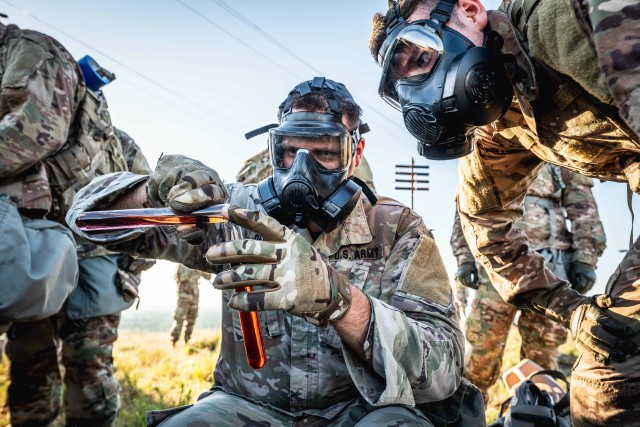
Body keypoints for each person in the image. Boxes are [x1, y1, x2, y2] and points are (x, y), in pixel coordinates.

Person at [66, 77, 479, 426]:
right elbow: (87, 219)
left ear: (355, 154)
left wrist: (339, 302)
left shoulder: (396, 229)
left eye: (325, 153)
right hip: (247, 407)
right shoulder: (234, 211)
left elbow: (443, 370)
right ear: (273, 149)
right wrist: (154, 189)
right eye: (289, 152)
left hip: (360, 411)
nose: (303, 171)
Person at [368, 1, 640, 424]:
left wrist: (583, 258)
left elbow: (581, 206)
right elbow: (482, 224)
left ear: (471, 10)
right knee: (608, 387)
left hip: (556, 252)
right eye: (406, 81)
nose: (427, 88)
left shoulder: (563, 20)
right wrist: (568, 306)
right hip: (514, 285)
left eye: (423, 56)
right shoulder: (499, 126)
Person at [0, 21, 153, 424]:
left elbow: (151, 214)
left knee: (88, 371)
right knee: (29, 369)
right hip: (34, 250)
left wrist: (130, 271)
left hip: (92, 257)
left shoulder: (119, 146)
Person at [451, 163, 606, 404]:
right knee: (483, 347)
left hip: (549, 269)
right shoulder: (488, 148)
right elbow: (468, 207)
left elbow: (582, 205)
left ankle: (541, 411)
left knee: (543, 352)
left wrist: (585, 259)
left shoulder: (553, 150)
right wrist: (465, 259)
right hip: (496, 267)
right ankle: (469, 413)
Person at [236, 146, 378, 192]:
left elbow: (363, 195)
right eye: (292, 150)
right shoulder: (274, 154)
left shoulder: (345, 149)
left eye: (325, 153)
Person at [170, 264, 212, 346]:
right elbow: (180, 277)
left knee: (191, 321)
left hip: (195, 298)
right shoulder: (181, 264)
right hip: (183, 298)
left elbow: (208, 277)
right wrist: (191, 270)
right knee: (179, 320)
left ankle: (187, 341)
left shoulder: (197, 264)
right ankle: (174, 342)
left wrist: (202, 268)